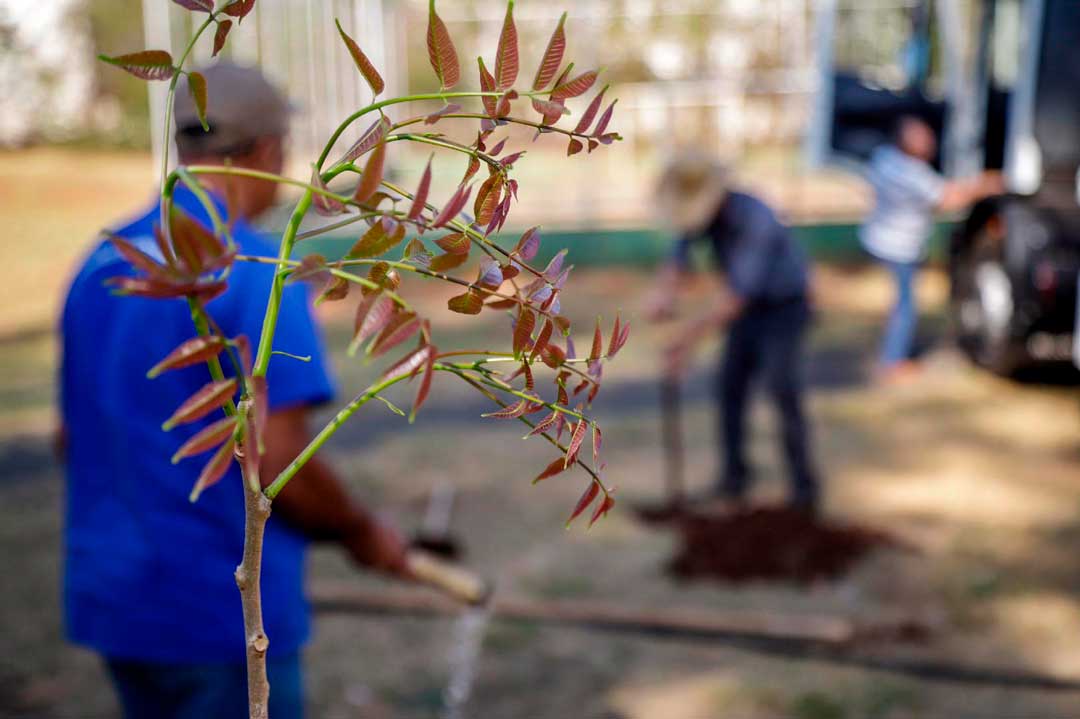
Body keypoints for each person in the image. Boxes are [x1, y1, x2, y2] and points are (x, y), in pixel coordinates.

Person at [59, 63, 409, 719]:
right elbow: (279, 463)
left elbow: (68, 436)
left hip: (116, 600)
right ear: (268, 149)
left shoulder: (100, 260)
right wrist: (361, 530)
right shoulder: (256, 274)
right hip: (215, 612)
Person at [646, 155, 821, 513]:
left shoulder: (755, 218)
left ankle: (804, 491)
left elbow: (735, 298)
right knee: (729, 389)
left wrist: (686, 340)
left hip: (784, 308)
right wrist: (664, 294)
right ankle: (734, 479)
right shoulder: (703, 219)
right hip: (749, 311)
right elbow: (678, 257)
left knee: (782, 391)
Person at [860, 116, 1002, 380]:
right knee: (905, 306)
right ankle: (893, 361)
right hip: (898, 246)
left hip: (883, 241)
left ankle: (893, 353)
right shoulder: (909, 173)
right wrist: (986, 184)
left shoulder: (884, 158)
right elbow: (948, 198)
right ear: (904, 141)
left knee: (901, 302)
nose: (930, 142)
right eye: (921, 137)